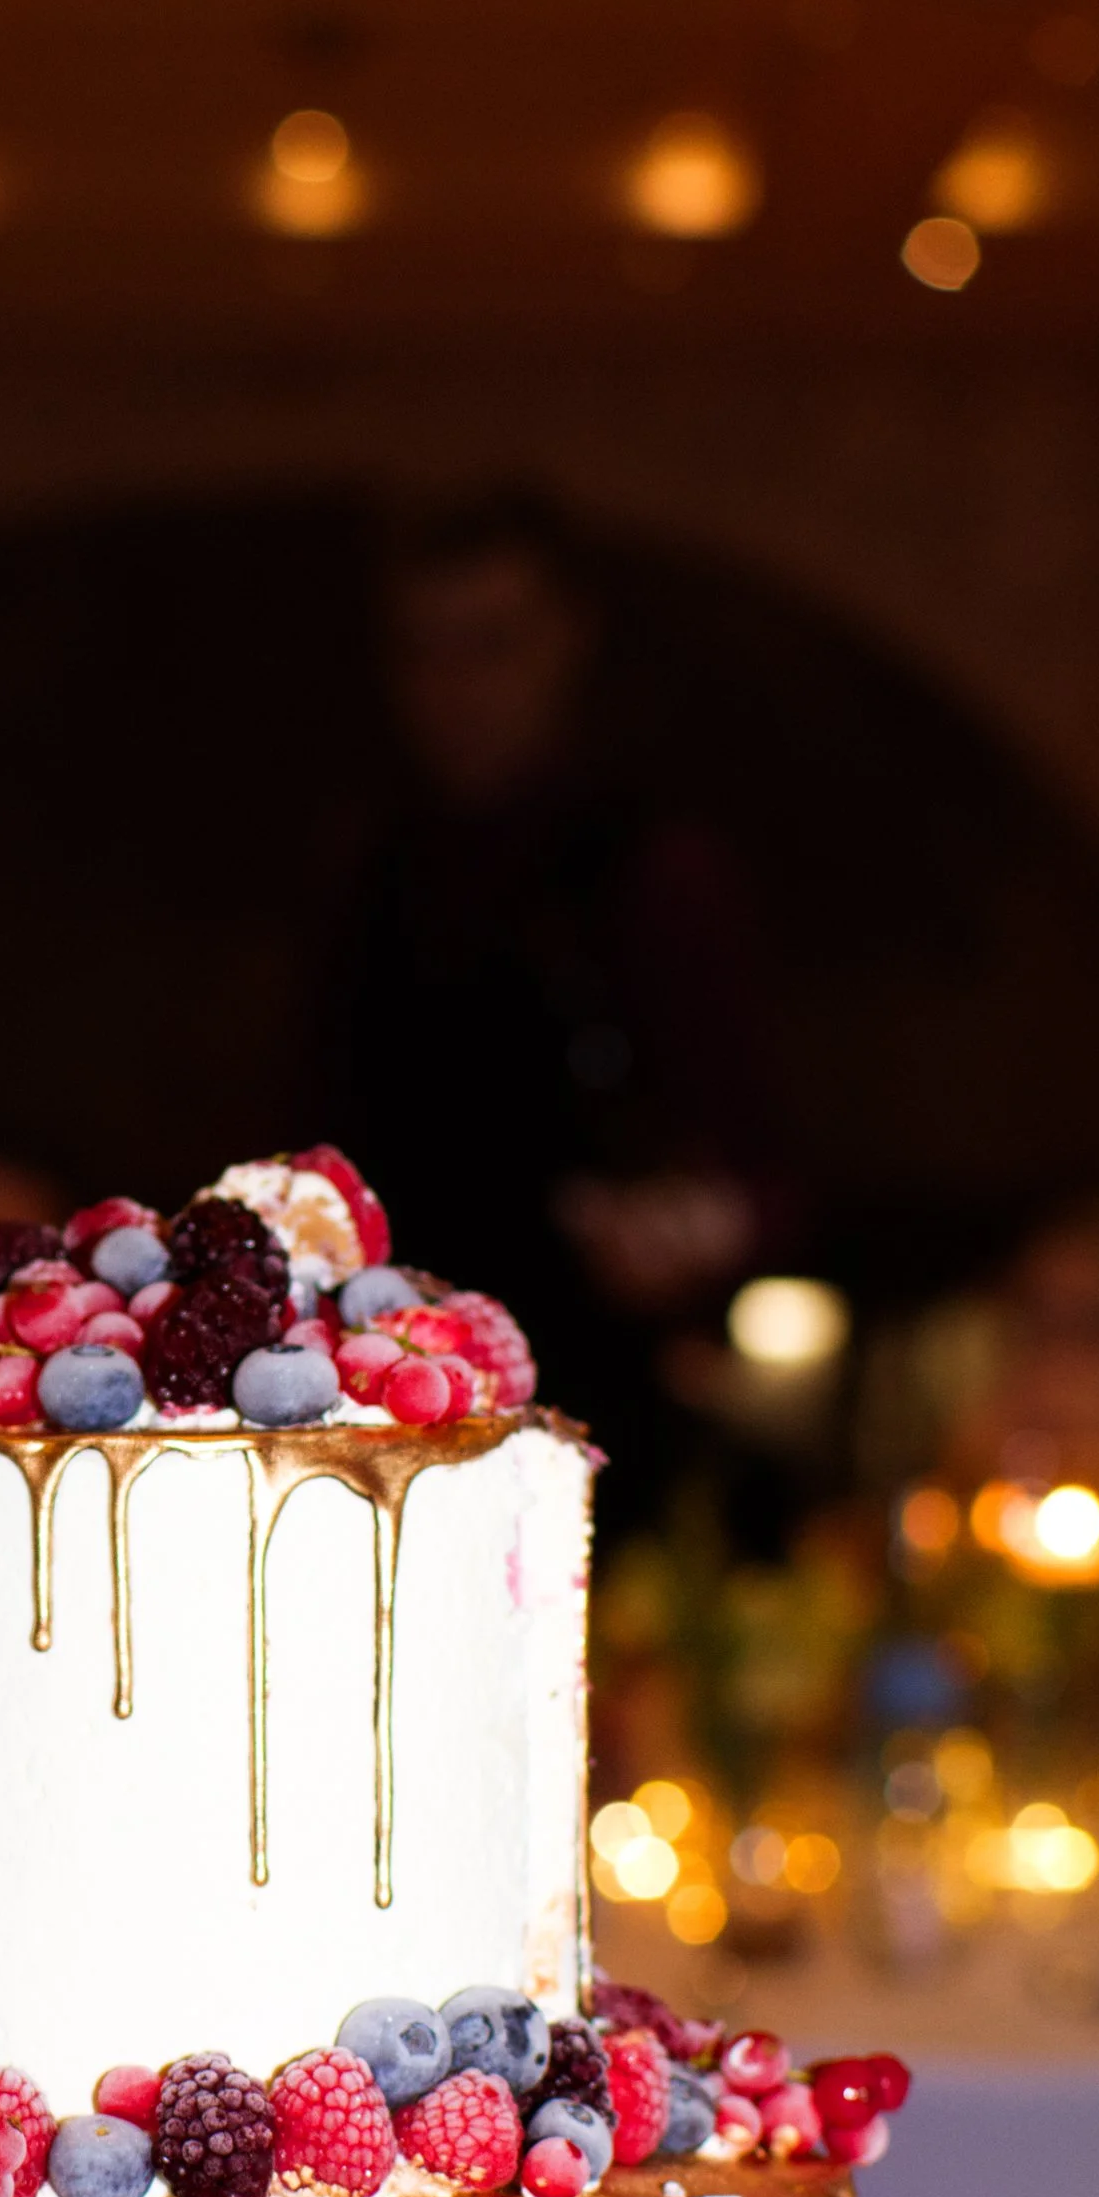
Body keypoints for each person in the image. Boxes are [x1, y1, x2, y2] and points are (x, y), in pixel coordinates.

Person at [311, 487, 782, 1516]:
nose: (457, 688)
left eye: (492, 646)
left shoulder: (653, 875)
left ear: (569, 641)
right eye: (427, 652)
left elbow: (762, 1173)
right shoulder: (370, 875)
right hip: (380, 1411)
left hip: (588, 1414)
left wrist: (685, 1232)